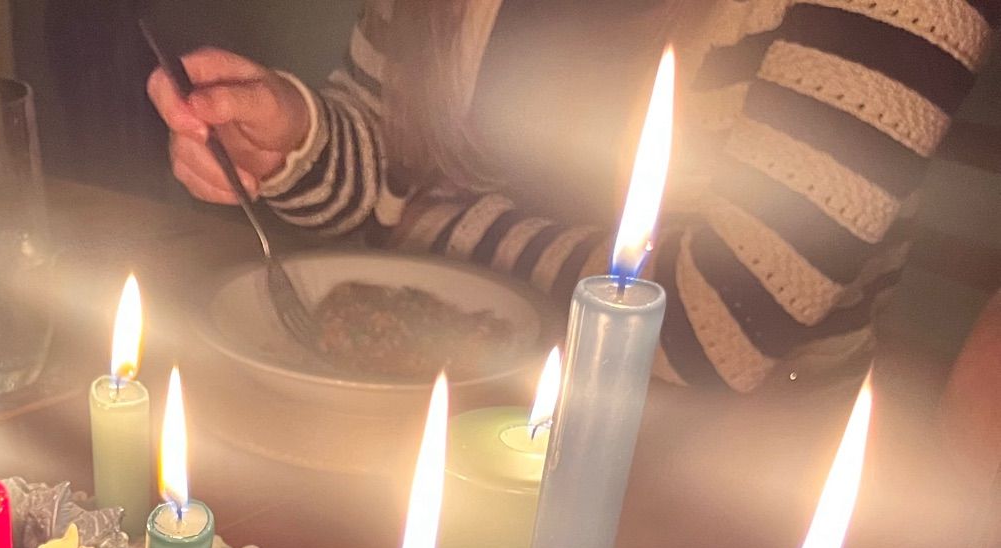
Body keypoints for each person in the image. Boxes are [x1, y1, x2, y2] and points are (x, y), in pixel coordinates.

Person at [148, 0, 997, 392]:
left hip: (718, 491)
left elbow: (707, 331)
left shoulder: (899, 12)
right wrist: (294, 138)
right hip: (443, 408)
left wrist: (416, 219)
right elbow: (379, 158)